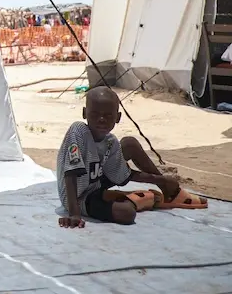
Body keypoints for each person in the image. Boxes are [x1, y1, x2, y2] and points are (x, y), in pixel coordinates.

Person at [57, 86, 207, 228]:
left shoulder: (111, 141)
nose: (101, 119)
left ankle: (168, 191)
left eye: (108, 115)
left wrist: (161, 180)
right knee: (127, 214)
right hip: (79, 196)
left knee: (129, 143)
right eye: (95, 114)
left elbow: (123, 175)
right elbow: (70, 174)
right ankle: (139, 199)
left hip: (95, 183)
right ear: (84, 113)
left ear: (118, 117)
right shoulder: (78, 131)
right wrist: (74, 214)